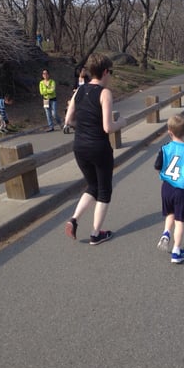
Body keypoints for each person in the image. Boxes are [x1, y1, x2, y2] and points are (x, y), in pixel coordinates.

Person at [64, 53, 127, 245]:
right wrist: (122, 122)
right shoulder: (105, 93)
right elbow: (108, 127)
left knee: (92, 186)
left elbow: (68, 120)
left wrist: (83, 126)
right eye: (111, 72)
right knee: (104, 191)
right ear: (106, 71)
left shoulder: (79, 91)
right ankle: (96, 233)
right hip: (99, 147)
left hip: (80, 147)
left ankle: (73, 219)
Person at [154, 114, 184, 264]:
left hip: (166, 186)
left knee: (170, 213)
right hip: (181, 189)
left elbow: (157, 165)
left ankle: (166, 233)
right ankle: (176, 250)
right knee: (179, 220)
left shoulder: (165, 148)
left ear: (169, 132)